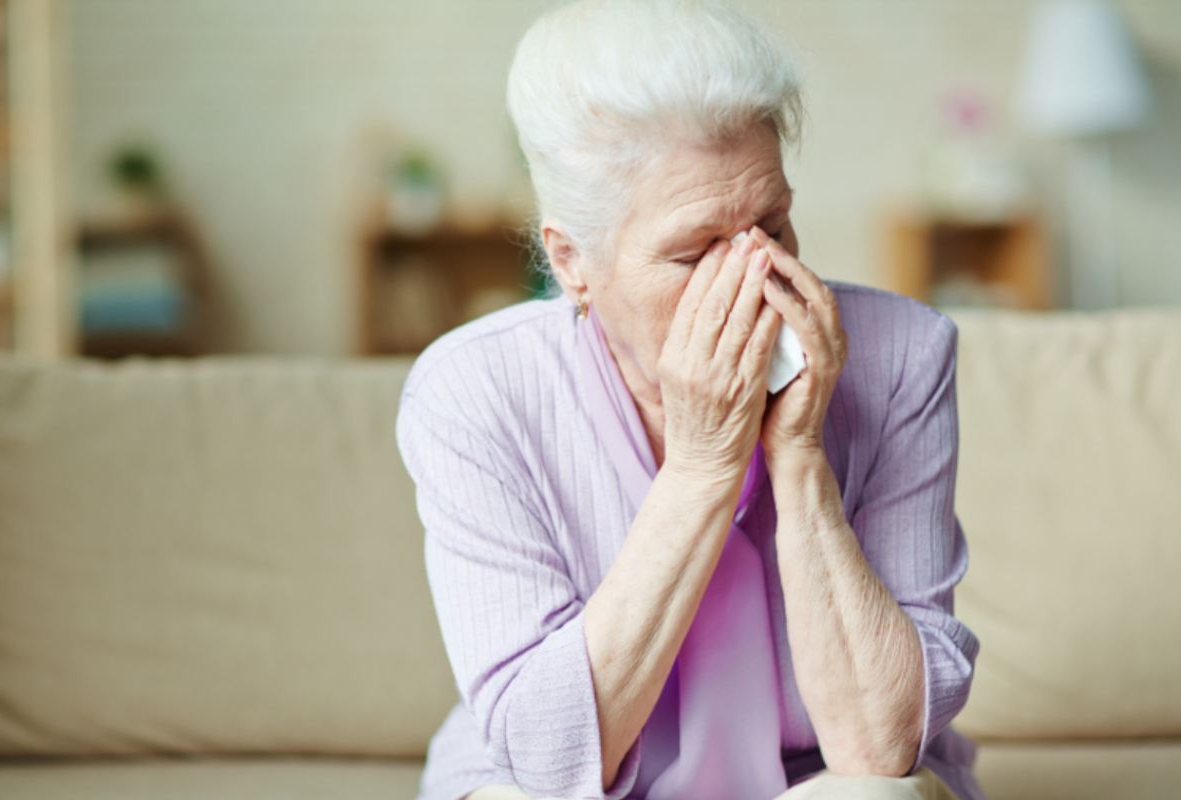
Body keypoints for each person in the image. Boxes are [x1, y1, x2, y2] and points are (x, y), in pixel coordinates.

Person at [395, 1, 984, 798]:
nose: (755, 281)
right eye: (695, 250)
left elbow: (879, 744)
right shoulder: (472, 393)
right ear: (572, 260)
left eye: (772, 225)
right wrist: (704, 467)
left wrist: (800, 454)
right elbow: (548, 759)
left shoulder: (906, 355)